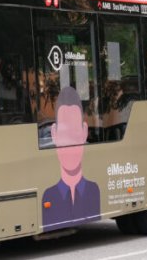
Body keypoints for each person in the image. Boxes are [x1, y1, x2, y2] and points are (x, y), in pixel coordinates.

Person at [42, 86, 100, 231]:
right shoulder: (48, 195)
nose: (70, 143)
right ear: (54, 134)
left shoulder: (94, 190)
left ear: (84, 132)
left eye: (74, 132)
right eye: (64, 133)